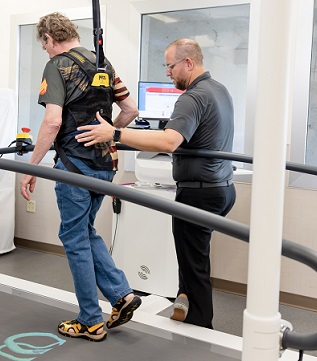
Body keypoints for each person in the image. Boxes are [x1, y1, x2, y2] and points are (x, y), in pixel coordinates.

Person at [76, 38, 236, 329]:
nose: (167, 73)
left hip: (201, 192)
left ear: (189, 63)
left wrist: (115, 134)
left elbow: (169, 141)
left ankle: (202, 330)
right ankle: (184, 299)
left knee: (194, 262)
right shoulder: (219, 90)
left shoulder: (192, 96)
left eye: (170, 66)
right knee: (192, 256)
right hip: (223, 188)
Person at [19, 12, 141, 342]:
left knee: (73, 238)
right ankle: (121, 294)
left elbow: (53, 122)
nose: (45, 51)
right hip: (105, 164)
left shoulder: (57, 66)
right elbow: (131, 110)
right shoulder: (104, 64)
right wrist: (110, 132)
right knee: (84, 230)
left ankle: (90, 320)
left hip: (75, 166)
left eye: (43, 45)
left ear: (48, 38)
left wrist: (31, 166)